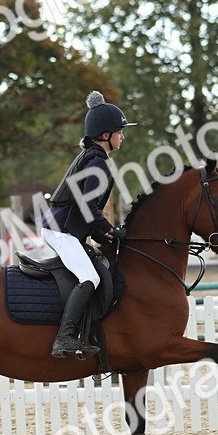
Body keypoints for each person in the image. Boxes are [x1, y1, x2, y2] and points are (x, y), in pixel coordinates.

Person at [39, 90, 135, 358]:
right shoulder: (98, 163)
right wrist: (109, 231)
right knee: (89, 276)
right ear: (106, 135)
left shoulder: (93, 158)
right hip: (60, 231)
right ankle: (64, 338)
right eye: (120, 131)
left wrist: (104, 235)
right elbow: (87, 208)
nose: (122, 136)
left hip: (63, 227)